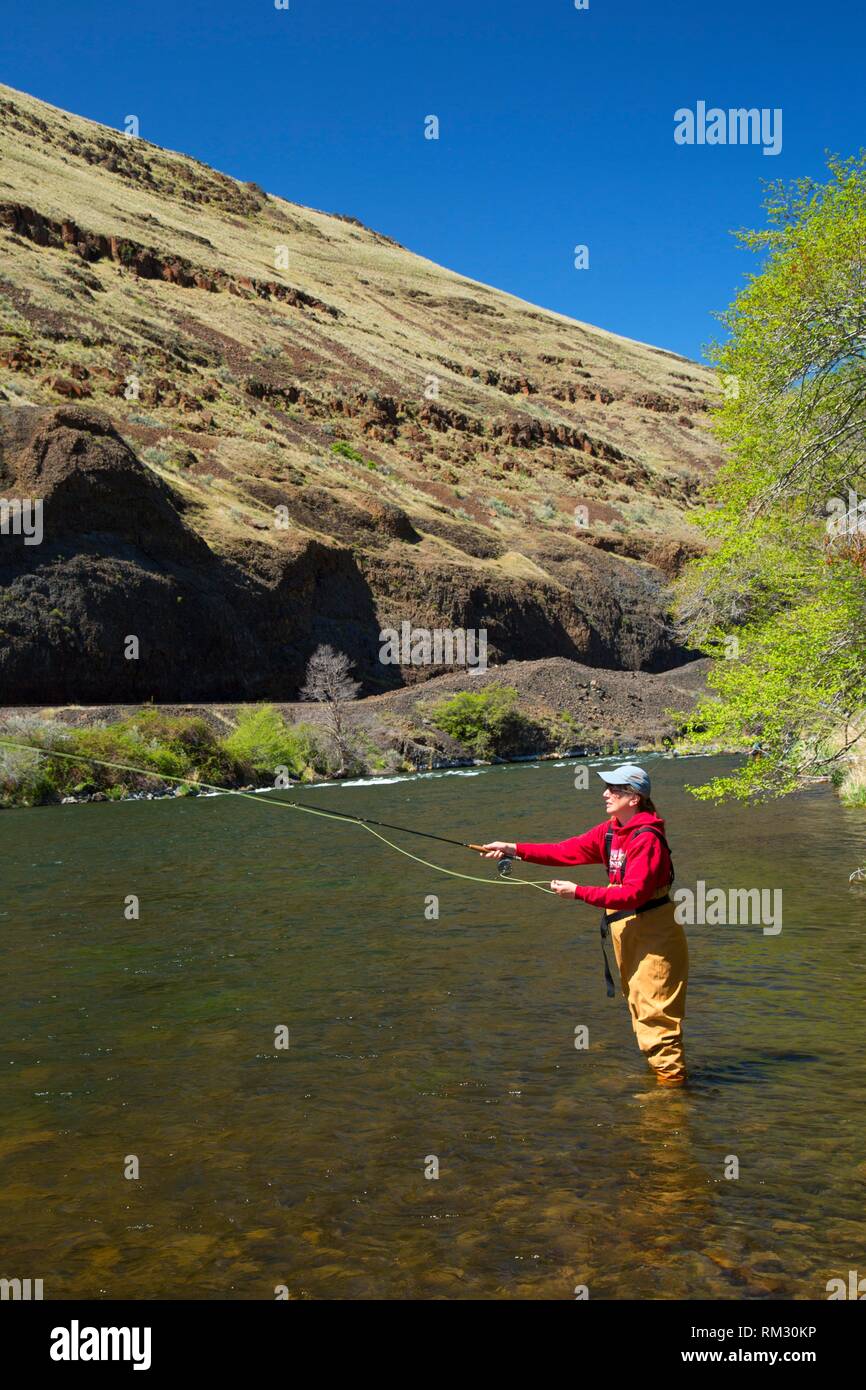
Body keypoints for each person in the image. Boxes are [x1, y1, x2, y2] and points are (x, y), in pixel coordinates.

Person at [480, 764, 689, 1087]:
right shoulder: (610, 830)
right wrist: (513, 849)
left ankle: (672, 1097)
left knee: (655, 1012)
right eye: (607, 788)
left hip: (654, 931)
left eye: (615, 789)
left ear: (634, 798)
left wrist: (578, 892)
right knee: (638, 1005)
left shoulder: (646, 837)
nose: (606, 794)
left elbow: (635, 892)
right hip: (627, 927)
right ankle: (665, 1081)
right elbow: (565, 851)